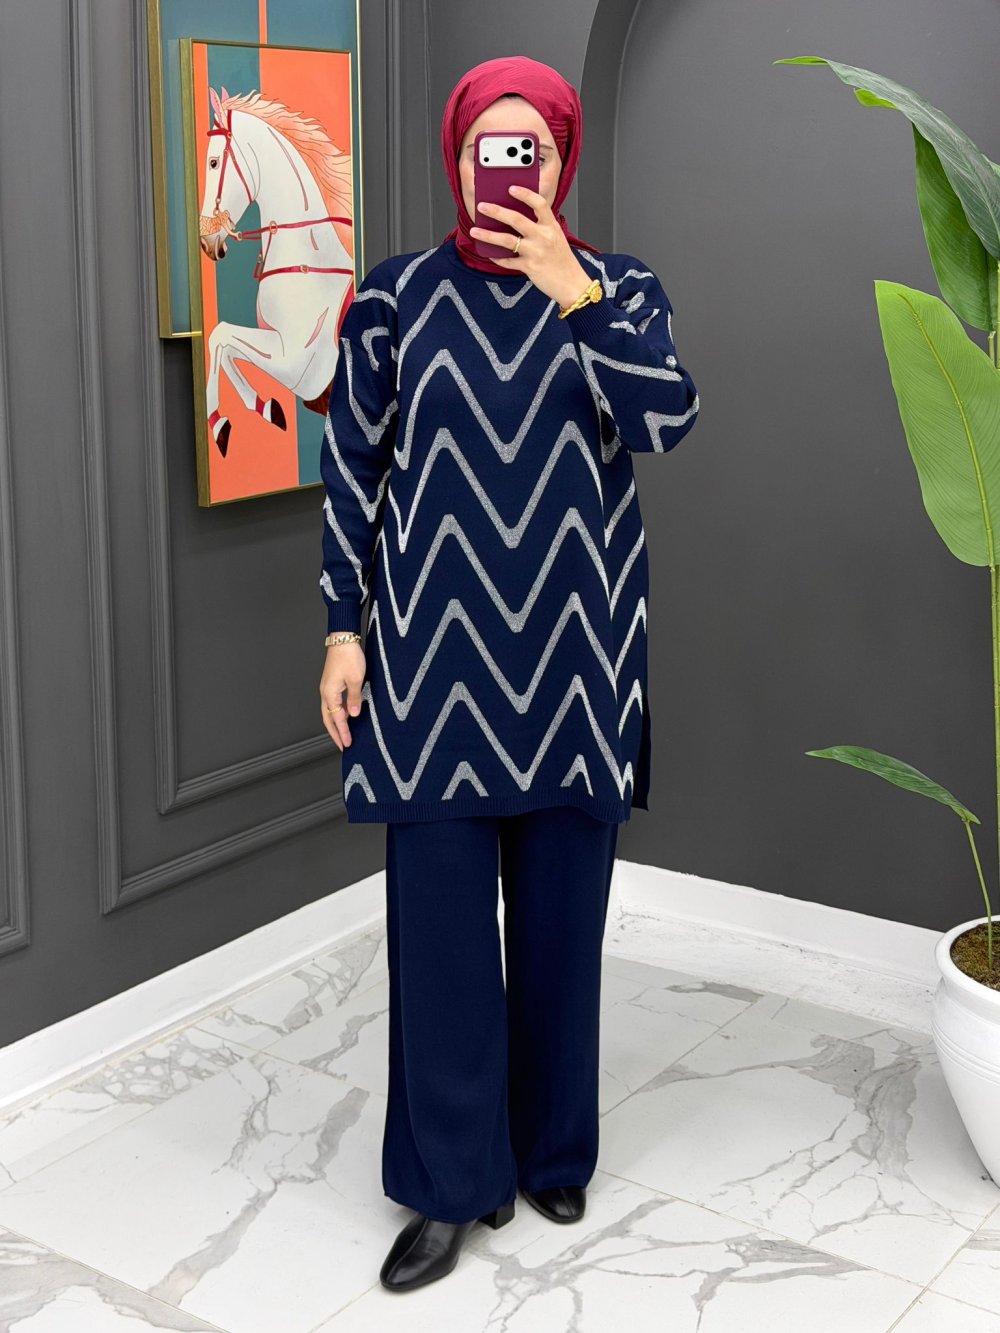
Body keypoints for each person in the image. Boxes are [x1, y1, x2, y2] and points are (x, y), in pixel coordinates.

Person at [317, 55, 699, 1292]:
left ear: (564, 159)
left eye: (534, 146)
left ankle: (550, 1149)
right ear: (457, 153)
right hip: (430, 668)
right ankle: (449, 1183)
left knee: (558, 932)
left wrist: (574, 296)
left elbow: (665, 421)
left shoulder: (619, 288)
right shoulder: (393, 298)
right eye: (493, 143)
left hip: (580, 664)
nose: (512, 166)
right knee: (438, 941)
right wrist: (341, 631)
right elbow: (354, 470)